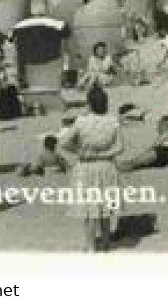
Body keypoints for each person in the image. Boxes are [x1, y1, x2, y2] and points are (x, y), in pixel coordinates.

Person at [56, 85, 124, 252]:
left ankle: (91, 245)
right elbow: (120, 147)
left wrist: (79, 152)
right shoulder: (113, 121)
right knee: (105, 208)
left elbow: (63, 143)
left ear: (89, 104)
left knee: (89, 210)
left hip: (86, 167)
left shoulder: (81, 122)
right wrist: (103, 154)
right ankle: (106, 243)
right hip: (106, 166)